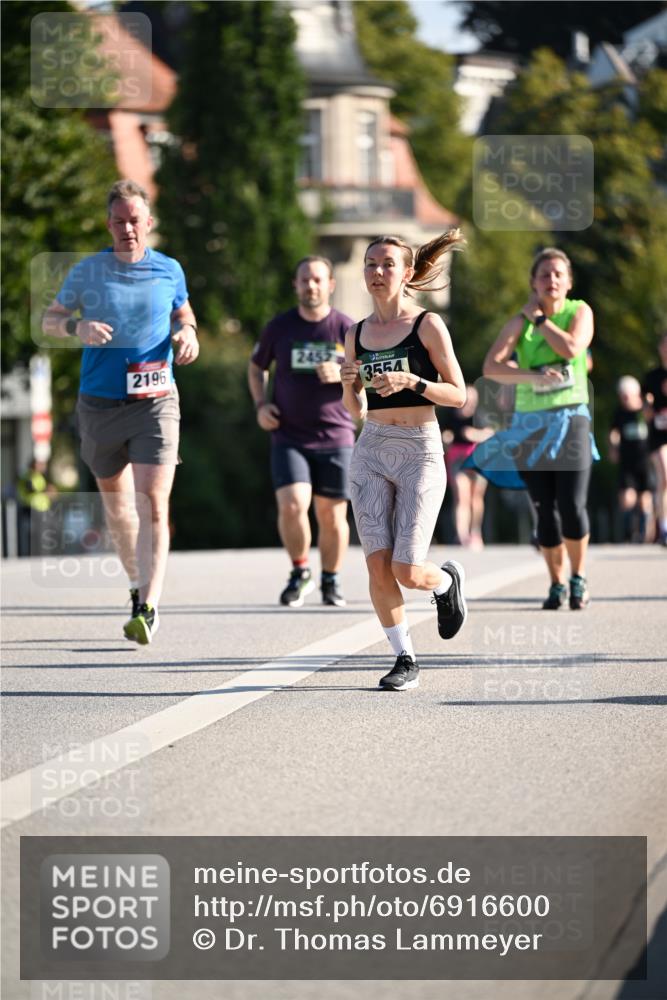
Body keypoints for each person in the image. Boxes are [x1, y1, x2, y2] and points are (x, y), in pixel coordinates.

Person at [42, 179, 199, 644]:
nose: (128, 228)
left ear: (148, 222)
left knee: (153, 501)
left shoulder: (169, 269)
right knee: (117, 507)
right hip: (100, 403)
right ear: (109, 225)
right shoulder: (88, 272)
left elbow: (184, 314)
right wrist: (77, 325)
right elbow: (50, 320)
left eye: (135, 220)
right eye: (119, 221)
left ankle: (149, 606)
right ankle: (135, 586)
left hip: (156, 401)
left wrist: (189, 333)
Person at [340, 232, 468, 692]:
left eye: (387, 265)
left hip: (419, 449)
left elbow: (459, 394)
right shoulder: (356, 333)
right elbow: (356, 409)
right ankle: (404, 657)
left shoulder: (428, 325)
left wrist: (415, 381)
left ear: (407, 273)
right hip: (372, 448)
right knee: (377, 566)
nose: (377, 272)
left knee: (406, 570)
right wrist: (347, 382)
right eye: (371, 264)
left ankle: (443, 583)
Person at [468, 247, 597, 610]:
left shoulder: (579, 311)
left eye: (558, 274)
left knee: (572, 504)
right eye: (544, 275)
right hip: (529, 425)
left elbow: (572, 348)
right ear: (533, 283)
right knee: (545, 509)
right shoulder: (518, 323)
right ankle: (556, 583)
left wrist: (540, 321)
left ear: (569, 282)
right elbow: (491, 367)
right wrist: (531, 375)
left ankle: (578, 576)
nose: (552, 280)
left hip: (571, 417)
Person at [248, 256, 355, 607]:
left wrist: (342, 371)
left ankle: (331, 579)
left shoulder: (347, 329)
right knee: (293, 505)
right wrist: (261, 404)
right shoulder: (280, 327)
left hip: (337, 434)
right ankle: (300, 570)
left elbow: (369, 377)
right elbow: (256, 367)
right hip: (289, 434)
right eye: (304, 280)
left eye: (318, 280)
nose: (311, 286)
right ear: (295, 285)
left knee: (331, 513)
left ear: (330, 285)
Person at [440, 384, 492, 549]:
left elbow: (491, 433)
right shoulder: (450, 414)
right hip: (457, 459)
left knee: (475, 498)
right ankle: (461, 536)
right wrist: (446, 438)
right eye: (466, 399)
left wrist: (474, 434)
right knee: (461, 497)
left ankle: (475, 533)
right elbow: (443, 432)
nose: (469, 403)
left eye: (472, 400)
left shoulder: (480, 415)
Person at [609, 376, 653, 542]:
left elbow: (651, 419)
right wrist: (613, 447)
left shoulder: (643, 411)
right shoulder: (619, 412)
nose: (624, 400)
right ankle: (629, 532)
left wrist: (646, 404)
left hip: (645, 459)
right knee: (627, 498)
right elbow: (613, 431)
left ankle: (643, 533)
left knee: (644, 499)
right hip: (627, 460)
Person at [642, 332, 667, 546]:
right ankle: (664, 528)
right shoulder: (652, 377)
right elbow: (645, 408)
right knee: (664, 475)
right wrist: (648, 407)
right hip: (659, 437)